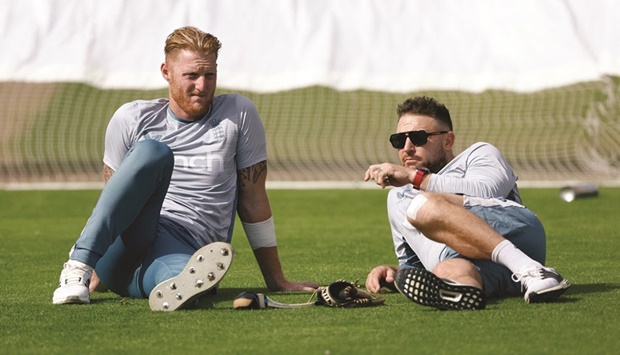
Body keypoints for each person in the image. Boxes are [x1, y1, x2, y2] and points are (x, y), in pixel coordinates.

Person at [52, 26, 318, 311]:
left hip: (186, 248)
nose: (202, 86)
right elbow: (116, 198)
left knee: (183, 280)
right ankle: (78, 266)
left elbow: (253, 198)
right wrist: (96, 267)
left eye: (210, 75)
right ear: (166, 71)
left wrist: (276, 279)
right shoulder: (131, 118)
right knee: (153, 152)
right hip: (127, 242)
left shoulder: (238, 114)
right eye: (191, 75)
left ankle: (179, 286)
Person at [363, 96, 570, 310]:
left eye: (418, 138)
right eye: (399, 140)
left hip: (516, 235)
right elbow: (414, 265)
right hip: (478, 265)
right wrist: (395, 274)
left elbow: (488, 193)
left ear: (448, 141)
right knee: (447, 271)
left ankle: (530, 268)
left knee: (423, 207)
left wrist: (415, 178)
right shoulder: (396, 198)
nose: (407, 148)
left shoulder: (479, 154)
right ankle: (468, 290)